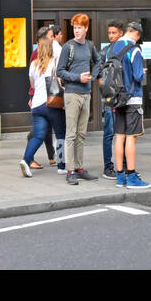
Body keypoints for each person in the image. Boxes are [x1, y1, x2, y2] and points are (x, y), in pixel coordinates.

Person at [56, 14, 102, 185]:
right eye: (74, 27)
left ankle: (79, 168)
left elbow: (98, 62)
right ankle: (70, 171)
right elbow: (59, 71)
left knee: (81, 134)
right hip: (72, 94)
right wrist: (78, 77)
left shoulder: (90, 46)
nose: (76, 30)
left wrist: (92, 77)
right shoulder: (68, 47)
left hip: (86, 94)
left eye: (79, 27)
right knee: (71, 134)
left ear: (86, 28)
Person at [20, 27, 65, 179]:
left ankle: (26, 160)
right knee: (60, 134)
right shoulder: (55, 63)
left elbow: (32, 85)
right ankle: (61, 165)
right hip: (51, 104)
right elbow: (60, 81)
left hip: (37, 105)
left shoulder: (34, 64)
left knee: (38, 136)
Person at [110, 21, 150, 188]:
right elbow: (138, 75)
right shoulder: (134, 50)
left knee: (119, 137)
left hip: (117, 99)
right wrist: (144, 72)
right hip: (132, 99)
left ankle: (120, 176)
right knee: (131, 138)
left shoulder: (111, 49)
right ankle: (132, 176)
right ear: (136, 34)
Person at [98, 19, 127, 179]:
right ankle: (108, 167)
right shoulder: (105, 52)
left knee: (123, 133)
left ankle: (123, 166)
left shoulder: (125, 49)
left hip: (124, 98)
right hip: (110, 100)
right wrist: (106, 90)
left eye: (114, 33)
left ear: (121, 33)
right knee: (109, 133)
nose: (111, 35)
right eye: (109, 33)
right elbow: (98, 73)